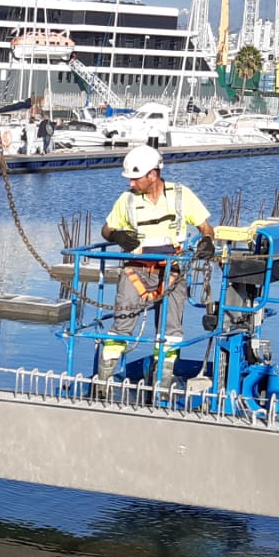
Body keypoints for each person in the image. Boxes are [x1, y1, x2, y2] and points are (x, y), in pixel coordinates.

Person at [96, 144, 217, 385]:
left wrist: (207, 242)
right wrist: (117, 236)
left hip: (172, 271)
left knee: (170, 331)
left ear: (153, 175)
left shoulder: (180, 196)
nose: (131, 183)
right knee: (121, 326)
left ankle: (162, 387)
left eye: (135, 178)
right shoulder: (127, 200)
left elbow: (206, 228)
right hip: (135, 271)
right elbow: (106, 229)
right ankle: (102, 384)